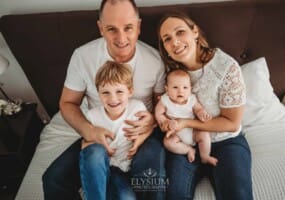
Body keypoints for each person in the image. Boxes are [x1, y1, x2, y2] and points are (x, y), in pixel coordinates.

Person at [42, 1, 166, 200]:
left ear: (139, 26)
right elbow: (67, 103)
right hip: (100, 130)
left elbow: (163, 104)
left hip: (141, 135)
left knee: (149, 177)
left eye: (128, 28)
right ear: (101, 28)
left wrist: (151, 121)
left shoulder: (154, 60)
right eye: (111, 29)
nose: (121, 38)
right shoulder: (83, 56)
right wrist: (88, 130)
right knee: (53, 179)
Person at [157, 11, 253, 200]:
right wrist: (163, 122)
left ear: (194, 32)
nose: (175, 42)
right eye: (167, 39)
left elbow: (232, 123)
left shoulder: (226, 67)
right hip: (185, 143)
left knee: (238, 195)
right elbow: (160, 106)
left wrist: (186, 122)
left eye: (180, 32)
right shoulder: (169, 72)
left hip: (226, 142)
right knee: (175, 195)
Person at [80, 61, 148, 199]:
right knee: (95, 153)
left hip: (124, 169)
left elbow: (148, 128)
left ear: (130, 91)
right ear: (98, 94)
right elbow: (86, 148)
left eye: (119, 91)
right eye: (105, 92)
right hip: (105, 167)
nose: (113, 98)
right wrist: (101, 149)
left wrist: (140, 139)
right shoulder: (93, 116)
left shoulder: (137, 109)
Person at [155, 69, 217, 165]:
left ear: (190, 89)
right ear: (167, 89)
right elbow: (158, 113)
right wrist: (166, 121)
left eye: (185, 87)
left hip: (192, 130)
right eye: (175, 87)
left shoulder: (192, 99)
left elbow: (198, 109)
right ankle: (188, 149)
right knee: (168, 143)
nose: (180, 91)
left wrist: (202, 114)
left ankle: (205, 156)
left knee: (204, 134)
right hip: (175, 133)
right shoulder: (164, 100)